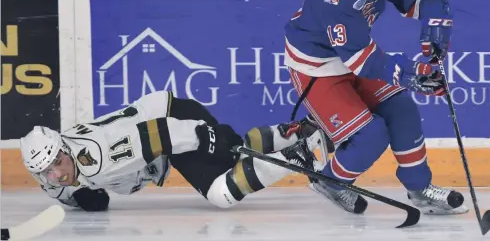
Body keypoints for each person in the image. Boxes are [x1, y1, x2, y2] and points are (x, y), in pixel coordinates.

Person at [279, 0, 468, 215]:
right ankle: (330, 181)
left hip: (354, 54)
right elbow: (363, 62)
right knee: (371, 134)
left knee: (402, 110)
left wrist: (435, 24)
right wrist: (414, 74)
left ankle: (420, 189)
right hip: (317, 67)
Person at [20, 91, 324, 212]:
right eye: (45, 171)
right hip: (165, 124)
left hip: (173, 123)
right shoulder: (50, 174)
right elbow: (62, 189)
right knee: (236, 159)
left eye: (57, 162)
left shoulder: (98, 159)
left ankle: (302, 156)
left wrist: (208, 136)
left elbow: (161, 134)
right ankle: (292, 134)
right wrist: (79, 196)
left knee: (222, 193)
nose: (56, 174)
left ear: (64, 149)